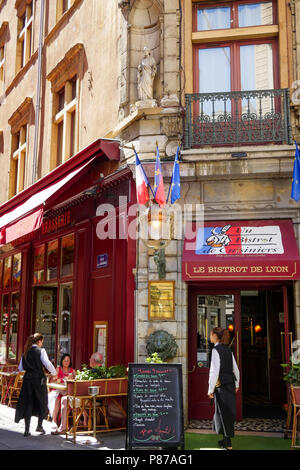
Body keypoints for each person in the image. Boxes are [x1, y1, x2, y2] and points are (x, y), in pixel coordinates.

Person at [15, 333, 57, 437]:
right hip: (39, 380)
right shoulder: (41, 351)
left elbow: (21, 368)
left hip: (27, 380)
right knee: (42, 401)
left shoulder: (26, 351)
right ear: (39, 341)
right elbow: (47, 363)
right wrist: (54, 373)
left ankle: (26, 430)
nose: (42, 343)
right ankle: (39, 425)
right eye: (42, 341)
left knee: (28, 402)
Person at [51, 352, 103, 435]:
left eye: (90, 359)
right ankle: (81, 420)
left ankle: (64, 428)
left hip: (88, 399)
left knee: (65, 399)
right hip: (101, 398)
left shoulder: (90, 374)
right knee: (64, 397)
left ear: (93, 361)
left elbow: (81, 387)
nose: (89, 360)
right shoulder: (103, 372)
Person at [208, 327, 240, 450]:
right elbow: (235, 369)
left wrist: (210, 389)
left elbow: (214, 372)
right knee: (225, 413)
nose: (209, 337)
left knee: (223, 413)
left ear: (215, 336)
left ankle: (228, 445)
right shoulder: (228, 350)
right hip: (230, 384)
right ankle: (225, 440)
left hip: (221, 386)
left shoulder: (216, 350)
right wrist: (236, 385)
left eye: (210, 335)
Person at [48, 353, 76, 429]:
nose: (66, 362)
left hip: (68, 392)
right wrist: (57, 381)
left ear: (70, 362)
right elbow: (51, 381)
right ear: (62, 361)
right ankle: (54, 420)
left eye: (68, 360)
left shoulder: (73, 371)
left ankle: (74, 421)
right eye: (65, 360)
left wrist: (72, 378)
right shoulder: (58, 369)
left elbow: (76, 382)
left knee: (71, 399)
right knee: (57, 399)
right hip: (58, 391)